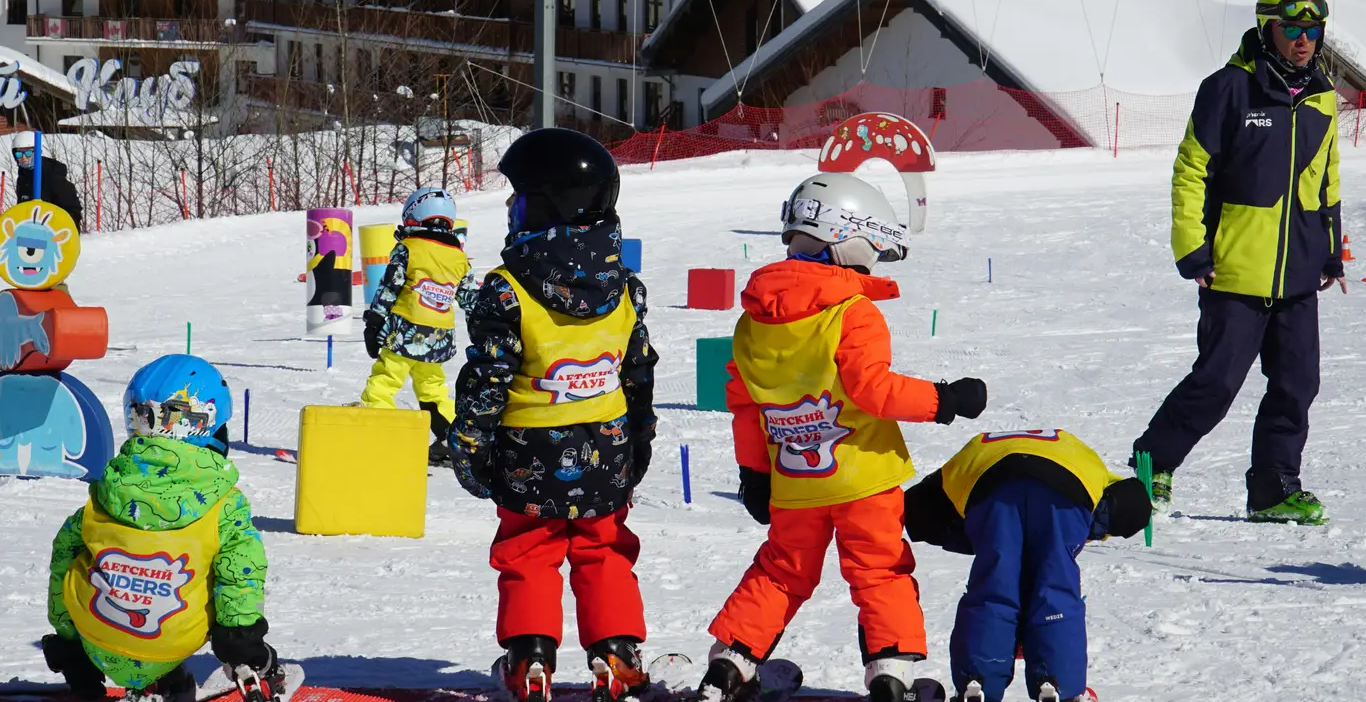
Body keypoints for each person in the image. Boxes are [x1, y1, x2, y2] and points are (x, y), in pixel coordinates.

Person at [695, 173, 987, 702]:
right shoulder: (853, 312)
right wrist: (946, 400)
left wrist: (754, 473)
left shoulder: (752, 322)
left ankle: (731, 665)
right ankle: (891, 675)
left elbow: (745, 406)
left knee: (781, 571)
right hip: (864, 479)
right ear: (848, 240)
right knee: (879, 572)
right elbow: (873, 390)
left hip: (796, 478)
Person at [448, 128, 659, 702]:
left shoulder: (507, 289)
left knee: (529, 549)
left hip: (528, 450)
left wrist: (469, 444)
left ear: (547, 207)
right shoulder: (624, 287)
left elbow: (487, 379)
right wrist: (640, 436)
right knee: (604, 545)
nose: (511, 211)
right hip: (607, 443)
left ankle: (530, 653)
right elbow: (638, 371)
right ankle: (615, 650)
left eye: (519, 201)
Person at [1129, 0, 1344, 526]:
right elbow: (1191, 170)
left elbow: (1326, 178)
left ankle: (1273, 489)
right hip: (1232, 268)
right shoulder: (1228, 87)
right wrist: (1192, 249)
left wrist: (1330, 249)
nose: (1303, 39)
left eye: (1312, 29)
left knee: (1297, 384)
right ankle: (1153, 463)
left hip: (1298, 270)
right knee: (1217, 381)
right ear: (1267, 28)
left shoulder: (1321, 95)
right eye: (1291, 27)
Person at [44, 355, 283, 702]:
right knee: (217, 564)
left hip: (96, 631)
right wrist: (240, 642)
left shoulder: (107, 490)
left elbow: (63, 555)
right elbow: (241, 574)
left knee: (85, 553)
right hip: (173, 639)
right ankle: (179, 669)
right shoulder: (224, 503)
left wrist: (70, 642)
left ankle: (151, 676)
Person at [904, 430, 1153, 702]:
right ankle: (1060, 684)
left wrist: (978, 540)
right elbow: (1130, 503)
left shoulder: (950, 475)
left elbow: (919, 509)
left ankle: (978, 682)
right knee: (1056, 586)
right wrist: (1081, 532)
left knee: (994, 586)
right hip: (1068, 484)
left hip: (987, 482)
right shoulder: (1102, 477)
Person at [360, 186, 481, 463]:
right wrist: (479, 329)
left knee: (384, 381)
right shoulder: (459, 257)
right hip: (438, 338)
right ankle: (450, 439)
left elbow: (389, 288)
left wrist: (374, 322)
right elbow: (470, 298)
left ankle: (378, 434)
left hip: (405, 332)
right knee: (432, 387)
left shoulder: (408, 248)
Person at [13, 131, 85, 232]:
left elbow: (72, 210)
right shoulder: (24, 177)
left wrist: (65, 231)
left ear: (37, 152)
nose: (24, 158)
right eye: (19, 154)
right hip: (31, 233)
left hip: (54, 233)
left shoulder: (53, 176)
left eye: (28, 153)